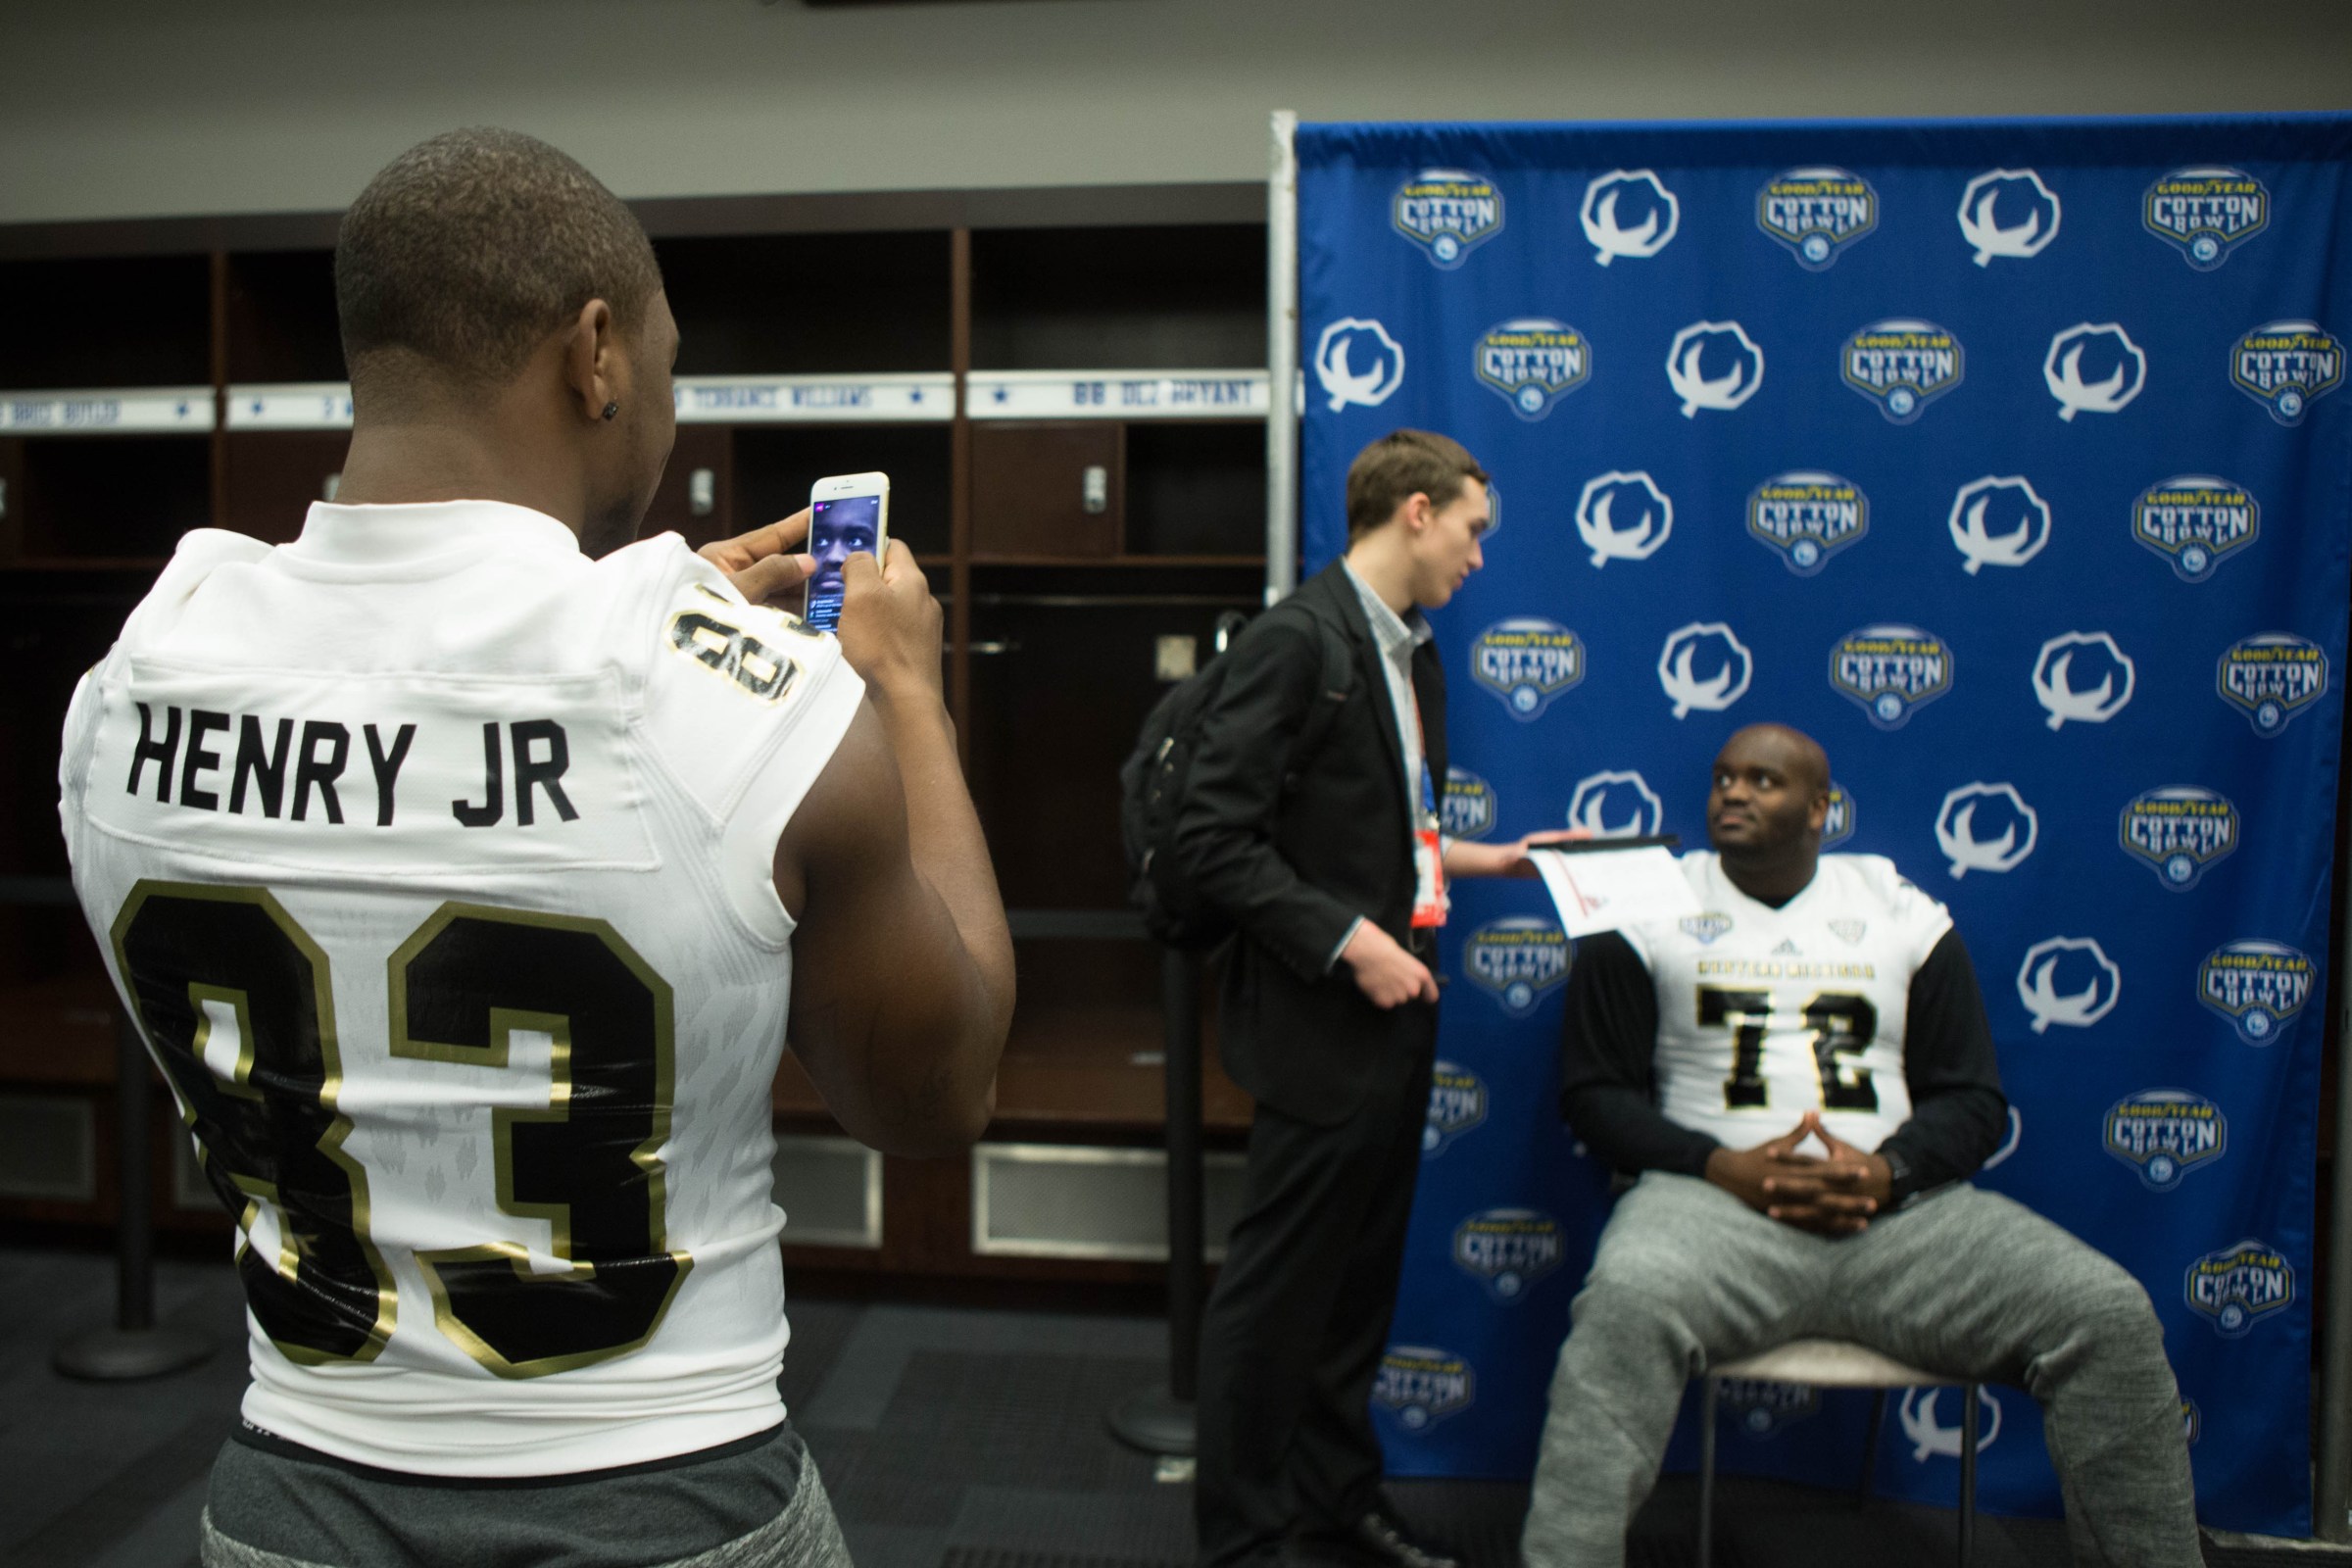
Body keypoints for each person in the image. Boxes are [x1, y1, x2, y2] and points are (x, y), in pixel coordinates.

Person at [57, 127, 1014, 1568]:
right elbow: (935, 1097)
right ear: (595, 355)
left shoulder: (132, 684)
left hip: (288, 1500)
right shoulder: (744, 706)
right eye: (668, 368)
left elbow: (399, 744)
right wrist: (908, 693)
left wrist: (643, 621)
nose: (668, 414)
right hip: (671, 1498)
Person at [1520, 723, 2201, 1568]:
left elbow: (1972, 1099)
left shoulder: (1899, 910)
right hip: (1706, 1213)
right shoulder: (1645, 905)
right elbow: (1594, 1094)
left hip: (1901, 1223)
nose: (1733, 793)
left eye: (1763, 781)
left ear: (1821, 808)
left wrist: (1887, 1171)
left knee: (2105, 1314)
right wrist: (1720, 1165)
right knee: (1625, 1300)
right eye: (1724, 778)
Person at [1177, 429, 1566, 1568]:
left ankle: (1333, 1496)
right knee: (1273, 1296)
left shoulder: (1413, 653)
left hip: (1398, 1016)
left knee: (1358, 1285)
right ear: (1412, 509)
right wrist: (1353, 943)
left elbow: (1385, 822)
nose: (1479, 558)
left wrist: (1490, 861)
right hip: (1317, 1024)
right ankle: (1243, 1537)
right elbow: (1211, 838)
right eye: (1472, 529)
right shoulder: (1300, 641)